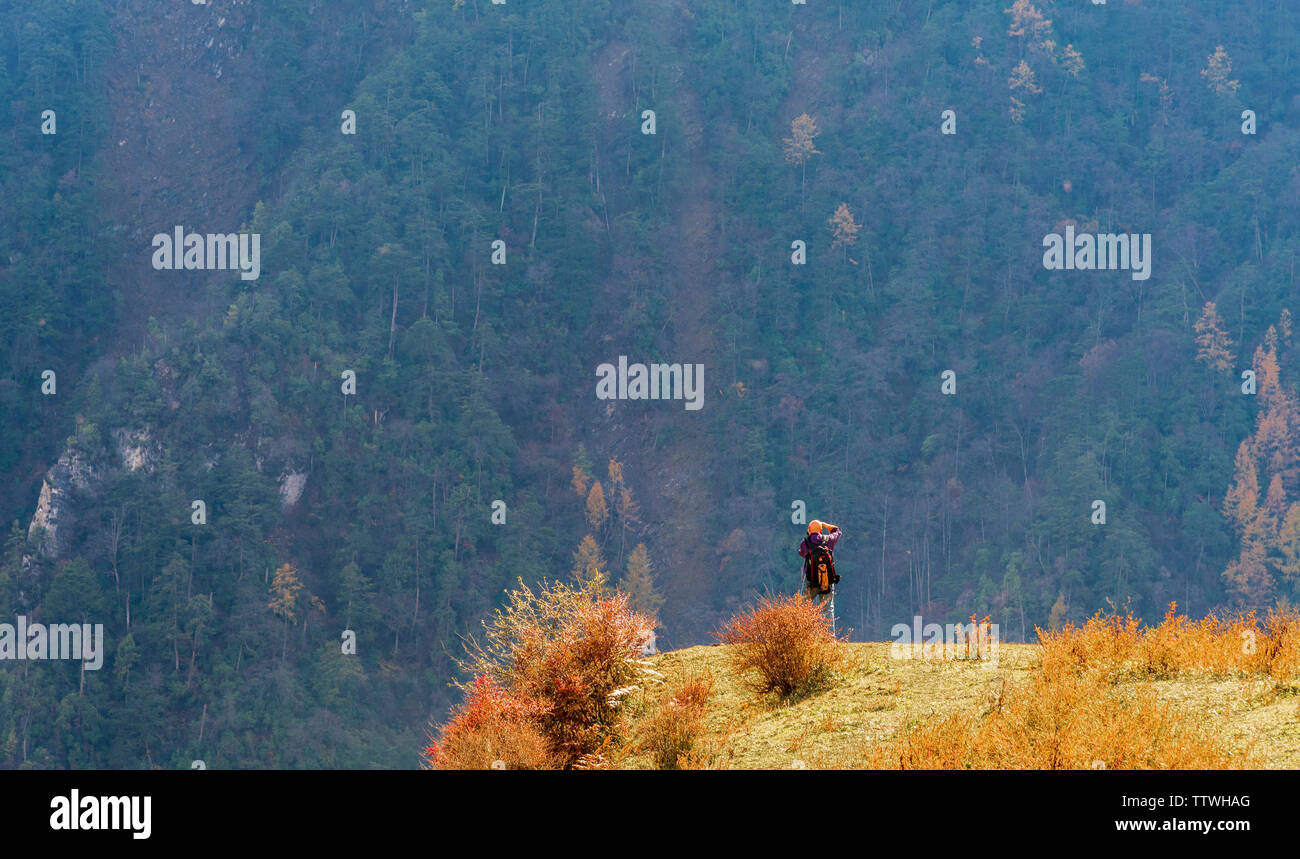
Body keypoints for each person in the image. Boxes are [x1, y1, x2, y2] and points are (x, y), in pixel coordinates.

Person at [798, 520, 841, 604]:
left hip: (811, 580)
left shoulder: (804, 543)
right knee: (827, 610)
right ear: (821, 531)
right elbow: (837, 531)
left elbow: (801, 553)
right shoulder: (829, 539)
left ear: (809, 531)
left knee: (803, 606)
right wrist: (825, 525)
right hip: (827, 580)